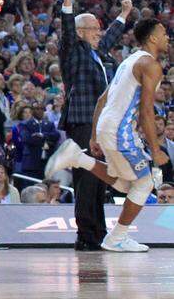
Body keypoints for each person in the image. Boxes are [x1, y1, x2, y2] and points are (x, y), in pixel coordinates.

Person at [50, 18, 168, 253]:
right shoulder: (150, 65)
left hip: (107, 126)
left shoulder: (128, 61)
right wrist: (155, 150)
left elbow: (103, 98)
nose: (167, 37)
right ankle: (116, 238)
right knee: (145, 182)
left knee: (127, 184)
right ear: (153, 38)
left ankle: (79, 158)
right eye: (163, 33)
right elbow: (146, 111)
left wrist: (95, 134)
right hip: (120, 132)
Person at [58, 0, 131, 251]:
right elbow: (66, 31)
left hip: (100, 124)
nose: (100, 33)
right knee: (87, 180)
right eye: (94, 29)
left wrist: (124, 14)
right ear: (80, 33)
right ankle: (86, 234)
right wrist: (67, 1)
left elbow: (110, 37)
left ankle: (98, 232)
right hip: (83, 121)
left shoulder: (96, 52)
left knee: (99, 179)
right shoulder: (72, 50)